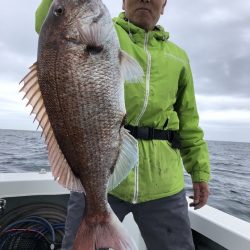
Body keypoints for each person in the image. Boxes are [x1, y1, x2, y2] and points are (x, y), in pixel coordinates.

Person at [35, 0, 211, 249]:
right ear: (123, 2)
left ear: (164, 6)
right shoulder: (105, 32)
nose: (145, 0)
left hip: (163, 184)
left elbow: (189, 121)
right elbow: (50, 18)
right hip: (98, 178)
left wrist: (200, 171)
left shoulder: (179, 57)